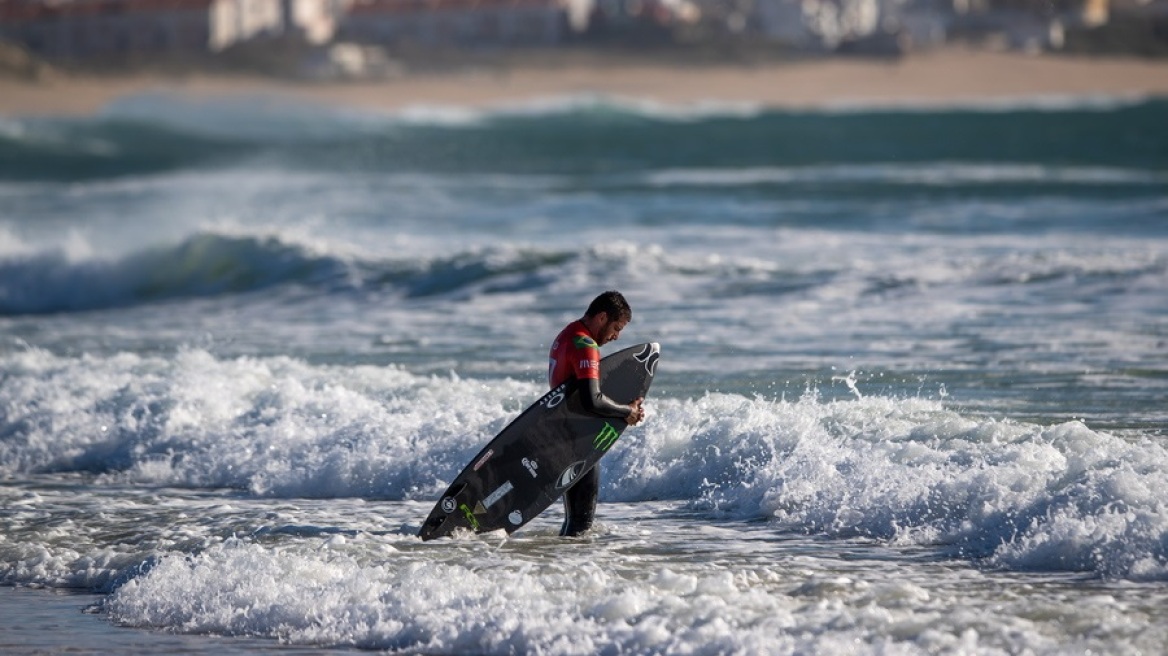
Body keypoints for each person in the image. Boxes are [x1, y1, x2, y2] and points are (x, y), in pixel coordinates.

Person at [547, 290, 645, 536]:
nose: (616, 336)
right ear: (602, 317)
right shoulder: (585, 344)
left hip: (565, 431)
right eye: (616, 327)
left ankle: (565, 566)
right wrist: (627, 411)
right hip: (578, 438)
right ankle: (573, 570)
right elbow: (592, 400)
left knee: (575, 520)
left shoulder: (568, 333)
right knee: (581, 523)